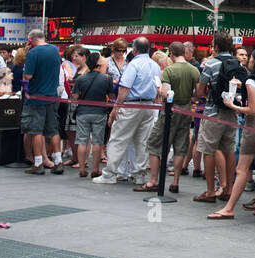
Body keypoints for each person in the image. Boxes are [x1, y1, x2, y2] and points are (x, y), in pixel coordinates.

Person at [214, 46, 255, 219]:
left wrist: (233, 106)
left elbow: (252, 109)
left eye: (251, 59)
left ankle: (229, 208)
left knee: (242, 168)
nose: (249, 61)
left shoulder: (251, 82)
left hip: (254, 125)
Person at [94, 37, 161, 186]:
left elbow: (125, 88)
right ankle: (139, 174)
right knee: (142, 141)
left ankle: (110, 174)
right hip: (149, 107)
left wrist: (116, 107)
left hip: (131, 106)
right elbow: (158, 87)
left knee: (118, 139)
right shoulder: (154, 65)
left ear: (134, 50)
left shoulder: (133, 65)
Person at [139, 42, 201, 192]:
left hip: (171, 110)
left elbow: (165, 93)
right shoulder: (194, 70)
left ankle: (154, 180)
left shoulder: (169, 70)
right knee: (180, 146)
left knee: (154, 143)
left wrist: (159, 88)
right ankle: (175, 182)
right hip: (186, 110)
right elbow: (198, 93)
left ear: (171, 53)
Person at [189, 34, 242, 201]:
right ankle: (228, 190)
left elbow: (200, 90)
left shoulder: (211, 64)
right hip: (232, 111)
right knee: (229, 150)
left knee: (208, 150)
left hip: (213, 112)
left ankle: (211, 191)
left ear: (216, 46)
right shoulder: (237, 63)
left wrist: (208, 91)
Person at [22, 30, 64, 174]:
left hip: (36, 97)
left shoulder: (33, 53)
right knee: (53, 129)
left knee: (36, 130)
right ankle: (58, 161)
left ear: (32, 40)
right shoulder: (54, 50)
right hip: (52, 96)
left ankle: (38, 162)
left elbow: (28, 76)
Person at [73, 50, 113, 179]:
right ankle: (95, 169)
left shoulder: (80, 79)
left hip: (83, 112)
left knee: (82, 141)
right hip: (99, 112)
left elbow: (74, 97)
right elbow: (111, 96)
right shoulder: (106, 79)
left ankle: (82, 168)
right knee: (97, 141)